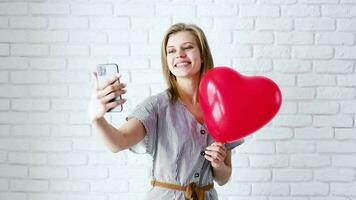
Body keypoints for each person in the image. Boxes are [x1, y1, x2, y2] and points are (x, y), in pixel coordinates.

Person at [88, 23, 244, 200]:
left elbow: (223, 178)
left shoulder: (223, 108)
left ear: (202, 56)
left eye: (188, 47)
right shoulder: (156, 106)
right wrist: (96, 117)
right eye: (171, 51)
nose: (179, 55)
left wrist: (218, 164)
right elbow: (118, 142)